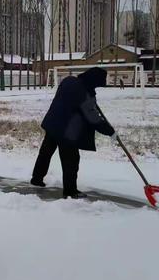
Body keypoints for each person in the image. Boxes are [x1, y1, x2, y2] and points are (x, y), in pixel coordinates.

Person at [30, 67, 115, 199]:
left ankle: (36, 178)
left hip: (53, 123)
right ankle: (70, 191)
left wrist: (90, 95)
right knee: (71, 161)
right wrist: (110, 131)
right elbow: (93, 118)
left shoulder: (68, 81)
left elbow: (73, 99)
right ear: (94, 81)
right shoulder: (85, 95)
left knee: (45, 153)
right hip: (67, 131)